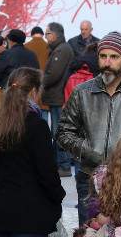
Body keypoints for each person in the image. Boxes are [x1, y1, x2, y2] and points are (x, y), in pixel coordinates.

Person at [57, 31, 121, 226]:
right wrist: (89, 151)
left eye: (114, 57)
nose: (107, 62)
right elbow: (64, 132)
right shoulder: (82, 92)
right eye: (103, 56)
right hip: (89, 177)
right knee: (90, 230)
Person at [0, 67, 66, 236]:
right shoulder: (37, 126)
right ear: (34, 91)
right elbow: (47, 173)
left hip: (2, 212)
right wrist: (58, 195)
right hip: (32, 214)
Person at [42, 22, 76, 177]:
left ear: (55, 34)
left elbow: (53, 74)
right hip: (56, 96)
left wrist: (40, 82)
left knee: (59, 132)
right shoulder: (59, 49)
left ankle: (64, 165)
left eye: (47, 33)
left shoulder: (62, 50)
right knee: (57, 131)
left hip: (58, 97)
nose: (46, 36)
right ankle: (59, 164)